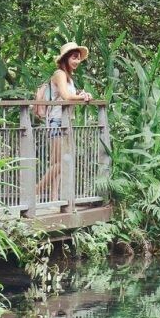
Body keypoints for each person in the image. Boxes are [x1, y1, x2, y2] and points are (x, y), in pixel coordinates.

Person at [36, 42, 93, 201]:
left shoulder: (69, 78)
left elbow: (69, 95)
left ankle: (54, 198)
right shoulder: (59, 74)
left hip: (65, 121)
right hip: (56, 121)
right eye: (74, 57)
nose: (77, 61)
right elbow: (66, 96)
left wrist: (83, 94)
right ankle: (35, 190)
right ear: (66, 58)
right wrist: (83, 97)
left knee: (57, 162)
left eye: (79, 58)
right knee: (61, 162)